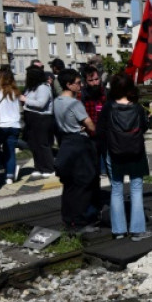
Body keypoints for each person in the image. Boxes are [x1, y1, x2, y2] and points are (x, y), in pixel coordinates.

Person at [96, 73, 150, 241]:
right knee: (136, 189)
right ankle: (137, 230)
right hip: (136, 152)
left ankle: (118, 231)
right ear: (129, 88)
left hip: (114, 152)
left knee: (116, 190)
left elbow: (100, 132)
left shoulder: (108, 107)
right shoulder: (138, 108)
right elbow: (144, 128)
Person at [53, 69, 100, 232]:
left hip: (65, 142)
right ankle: (80, 222)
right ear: (68, 84)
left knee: (69, 184)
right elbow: (90, 124)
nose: (81, 85)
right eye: (78, 83)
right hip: (79, 143)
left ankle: (68, 219)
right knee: (84, 183)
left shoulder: (57, 101)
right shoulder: (75, 103)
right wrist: (91, 128)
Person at [21, 67, 55, 178]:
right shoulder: (31, 88)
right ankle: (39, 167)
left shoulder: (43, 88)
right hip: (31, 118)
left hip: (42, 118)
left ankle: (49, 168)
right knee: (34, 144)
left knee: (43, 143)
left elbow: (41, 103)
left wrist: (25, 100)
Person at [0, 67, 23, 185]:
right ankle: (10, 175)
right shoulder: (16, 91)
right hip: (15, 124)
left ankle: (8, 167)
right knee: (10, 151)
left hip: (1, 125)